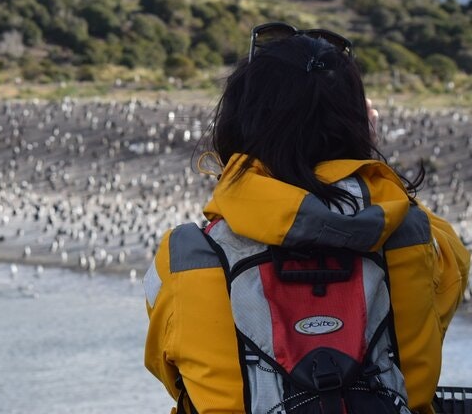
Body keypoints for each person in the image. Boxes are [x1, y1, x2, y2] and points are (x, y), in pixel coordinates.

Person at [143, 22, 470, 414]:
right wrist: (368, 160)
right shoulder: (413, 238)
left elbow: (171, 371)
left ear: (238, 120)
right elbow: (447, 282)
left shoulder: (186, 256)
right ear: (357, 126)